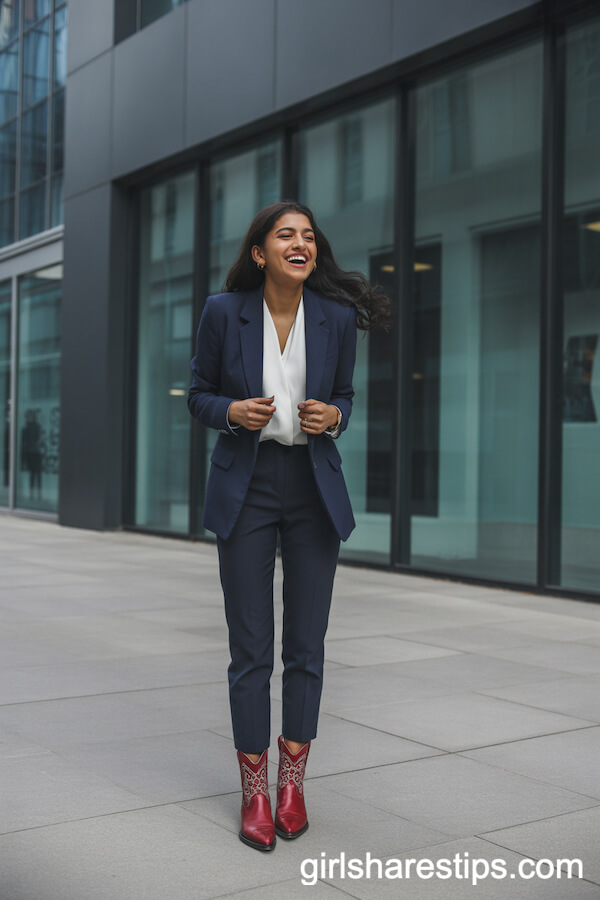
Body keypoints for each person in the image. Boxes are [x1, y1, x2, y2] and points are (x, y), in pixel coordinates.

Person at [188, 200, 390, 851]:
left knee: (306, 645)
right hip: (245, 489)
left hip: (312, 491)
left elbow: (347, 397)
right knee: (251, 650)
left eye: (307, 236)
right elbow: (196, 393)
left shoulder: (334, 318)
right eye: (286, 235)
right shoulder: (223, 312)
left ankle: (293, 783)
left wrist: (332, 417)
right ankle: (253, 791)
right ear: (260, 252)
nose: (300, 243)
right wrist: (231, 412)